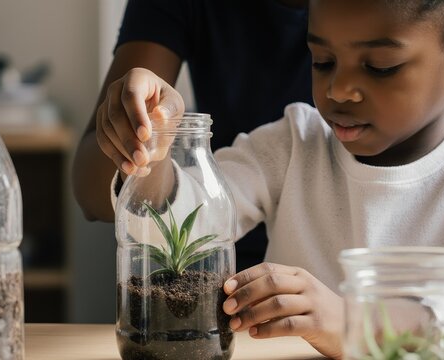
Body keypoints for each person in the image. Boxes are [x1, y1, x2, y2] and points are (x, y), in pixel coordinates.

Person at [103, 0, 444, 359]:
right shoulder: (291, 144)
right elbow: (170, 228)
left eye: (380, 67)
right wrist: (156, 145)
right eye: (322, 61)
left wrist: (356, 321)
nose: (337, 90)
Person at [72, 0, 313, 271]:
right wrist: (149, 143)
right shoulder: (280, 145)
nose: (341, 90)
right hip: (216, 267)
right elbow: (185, 213)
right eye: (325, 63)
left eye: (372, 66)